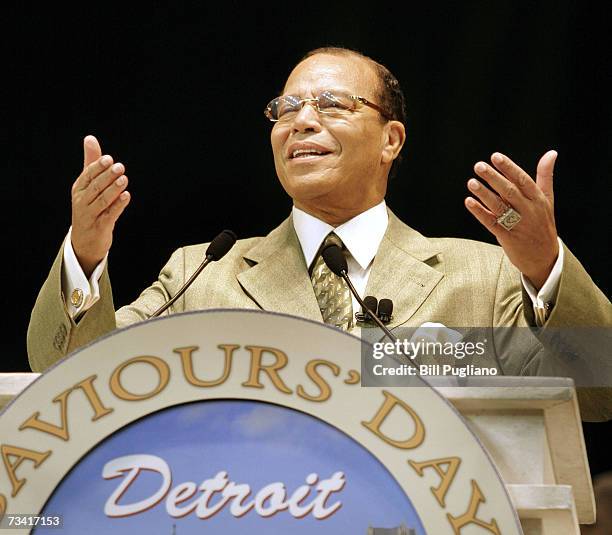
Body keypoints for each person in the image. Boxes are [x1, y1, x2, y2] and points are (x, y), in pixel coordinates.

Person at [27, 47, 611, 420]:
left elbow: (598, 389)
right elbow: (75, 383)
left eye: (332, 104)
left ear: (392, 140)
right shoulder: (201, 274)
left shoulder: (483, 275)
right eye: (286, 108)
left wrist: (543, 264)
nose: (302, 119)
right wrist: (85, 255)